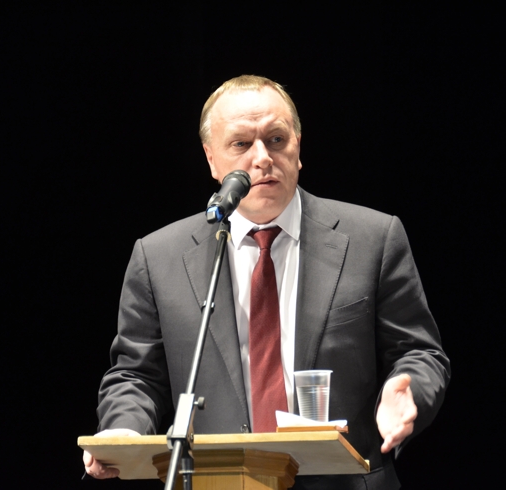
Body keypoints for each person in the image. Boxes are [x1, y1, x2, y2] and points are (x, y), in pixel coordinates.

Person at [83, 75, 450, 489]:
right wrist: (123, 431)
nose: (262, 158)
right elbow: (137, 376)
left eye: (276, 139)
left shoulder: (373, 240)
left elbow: (419, 352)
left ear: (298, 147)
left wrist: (409, 390)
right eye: (241, 144)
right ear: (211, 159)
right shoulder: (159, 257)